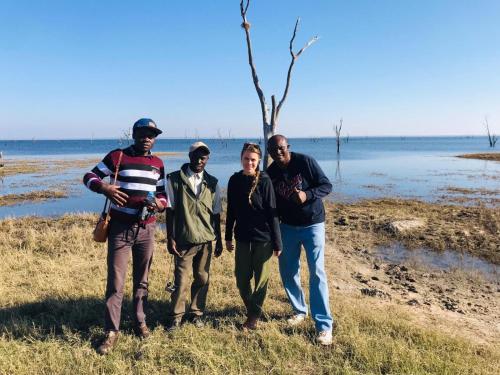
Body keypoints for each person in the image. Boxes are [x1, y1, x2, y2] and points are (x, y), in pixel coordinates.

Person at [83, 118, 167, 354]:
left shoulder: (158, 164)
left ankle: (140, 321)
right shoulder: (117, 157)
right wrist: (105, 188)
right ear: (134, 134)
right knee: (116, 282)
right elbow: (89, 176)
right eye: (143, 133)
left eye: (152, 134)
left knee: (142, 279)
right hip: (119, 228)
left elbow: (164, 195)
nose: (147, 137)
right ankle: (112, 331)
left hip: (146, 229)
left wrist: (158, 205)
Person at [266, 134, 334, 346]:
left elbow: (326, 186)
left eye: (281, 148)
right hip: (287, 227)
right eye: (273, 150)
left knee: (317, 272)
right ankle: (299, 310)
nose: (278, 153)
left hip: (313, 224)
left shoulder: (306, 162)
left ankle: (323, 326)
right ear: (268, 152)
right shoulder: (271, 173)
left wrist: (307, 195)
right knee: (288, 271)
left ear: (288, 147)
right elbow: (272, 205)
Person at [165, 141, 223, 330]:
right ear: (189, 156)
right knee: (181, 280)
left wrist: (219, 240)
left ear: (207, 159)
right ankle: (176, 317)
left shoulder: (212, 182)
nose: (199, 160)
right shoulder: (174, 179)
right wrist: (170, 237)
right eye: (196, 156)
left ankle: (196, 313)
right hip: (183, 240)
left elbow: (216, 214)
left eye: (203, 157)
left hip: (206, 240)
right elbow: (170, 210)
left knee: (202, 278)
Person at [225, 143, 282, 330]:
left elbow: (273, 212)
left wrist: (277, 242)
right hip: (242, 237)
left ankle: (253, 318)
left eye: (253, 160)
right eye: (246, 159)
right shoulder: (234, 180)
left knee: (261, 280)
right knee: (241, 279)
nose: (249, 163)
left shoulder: (265, 181)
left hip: (263, 239)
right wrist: (227, 236)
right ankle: (252, 307)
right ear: (241, 158)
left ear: (258, 161)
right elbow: (231, 211)